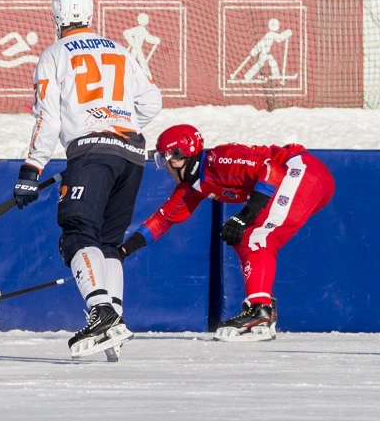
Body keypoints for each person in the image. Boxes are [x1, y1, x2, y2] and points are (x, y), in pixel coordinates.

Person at [15, 0, 162, 359]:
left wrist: (32, 168)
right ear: (90, 14)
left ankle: (101, 315)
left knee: (77, 236)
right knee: (108, 242)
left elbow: (46, 119)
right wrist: (119, 123)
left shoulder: (53, 55)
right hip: (131, 153)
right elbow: (151, 102)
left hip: (92, 155)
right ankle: (114, 320)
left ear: (56, 17)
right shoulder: (119, 50)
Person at [119, 125, 335, 341]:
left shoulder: (218, 159)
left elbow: (271, 171)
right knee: (244, 238)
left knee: (254, 237)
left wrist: (246, 215)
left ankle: (260, 311)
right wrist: (124, 250)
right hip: (307, 178)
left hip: (301, 171)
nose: (164, 166)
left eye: (164, 158)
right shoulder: (194, 185)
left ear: (178, 155)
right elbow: (163, 219)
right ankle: (262, 307)